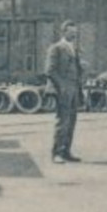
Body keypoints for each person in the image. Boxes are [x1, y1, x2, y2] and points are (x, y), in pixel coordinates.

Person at [45, 20, 84, 164]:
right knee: (62, 122)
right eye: (71, 31)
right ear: (64, 32)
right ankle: (57, 153)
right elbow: (50, 70)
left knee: (71, 122)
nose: (74, 34)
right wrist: (61, 87)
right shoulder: (56, 48)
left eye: (75, 32)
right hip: (63, 91)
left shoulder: (74, 48)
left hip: (74, 90)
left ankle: (66, 151)